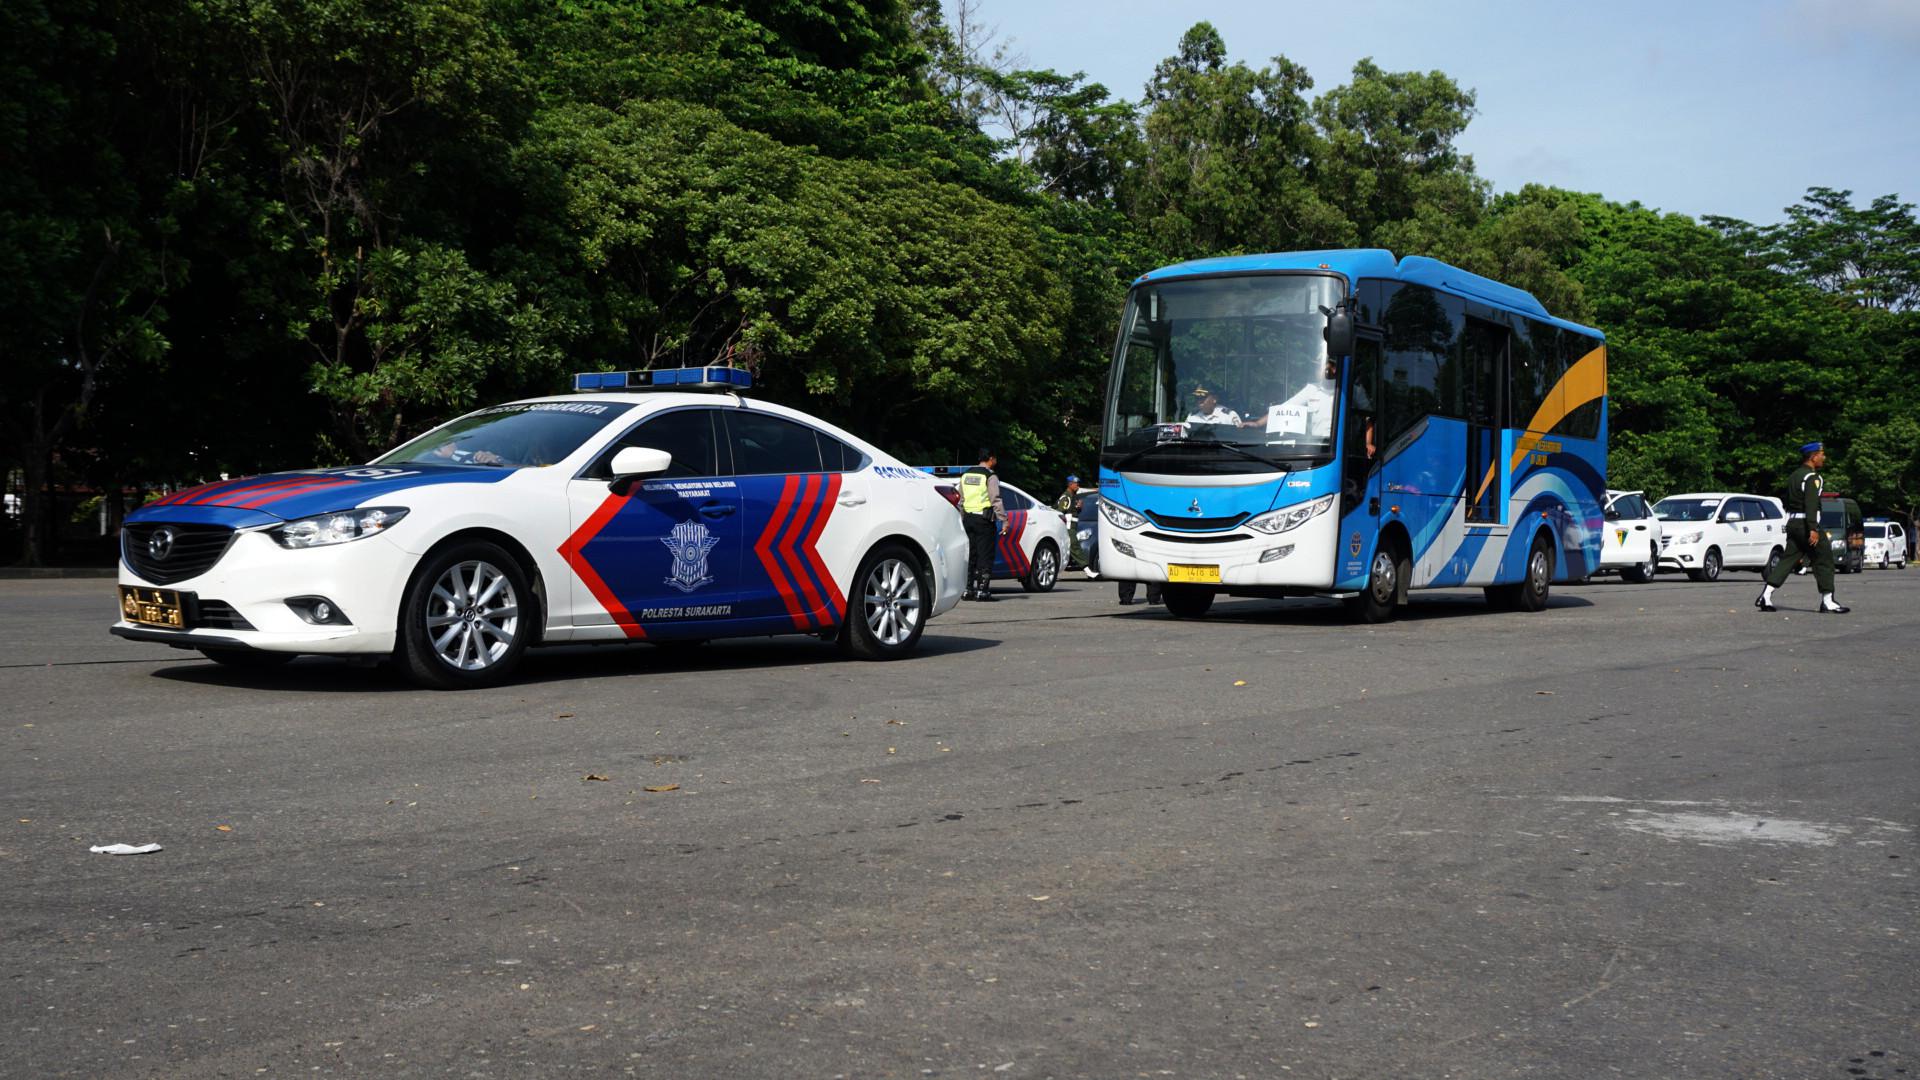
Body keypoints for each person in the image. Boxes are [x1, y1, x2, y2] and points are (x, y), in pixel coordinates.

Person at [1756, 441, 1849, 614]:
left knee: (1787, 560)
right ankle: (1828, 601)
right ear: (1813, 457)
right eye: (1821, 454)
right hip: (1806, 524)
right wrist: (1813, 529)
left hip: (1793, 523)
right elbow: (1811, 504)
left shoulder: (1794, 476)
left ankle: (1766, 595)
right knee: (1824, 559)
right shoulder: (1812, 477)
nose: (1824, 458)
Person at [957, 448, 1007, 602]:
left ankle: (968, 590)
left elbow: (961, 500)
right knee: (985, 555)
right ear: (991, 459)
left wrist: (962, 518)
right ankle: (982, 591)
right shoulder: (990, 476)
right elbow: (995, 499)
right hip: (984, 521)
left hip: (968, 520)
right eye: (995, 458)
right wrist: (1004, 520)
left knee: (970, 555)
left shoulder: (966, 475)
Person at [1188, 387, 1256, 428]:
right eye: (1197, 398)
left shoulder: (1229, 416)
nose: (1199, 401)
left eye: (1203, 398)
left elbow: (1239, 437)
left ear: (1214, 399)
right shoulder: (1192, 416)